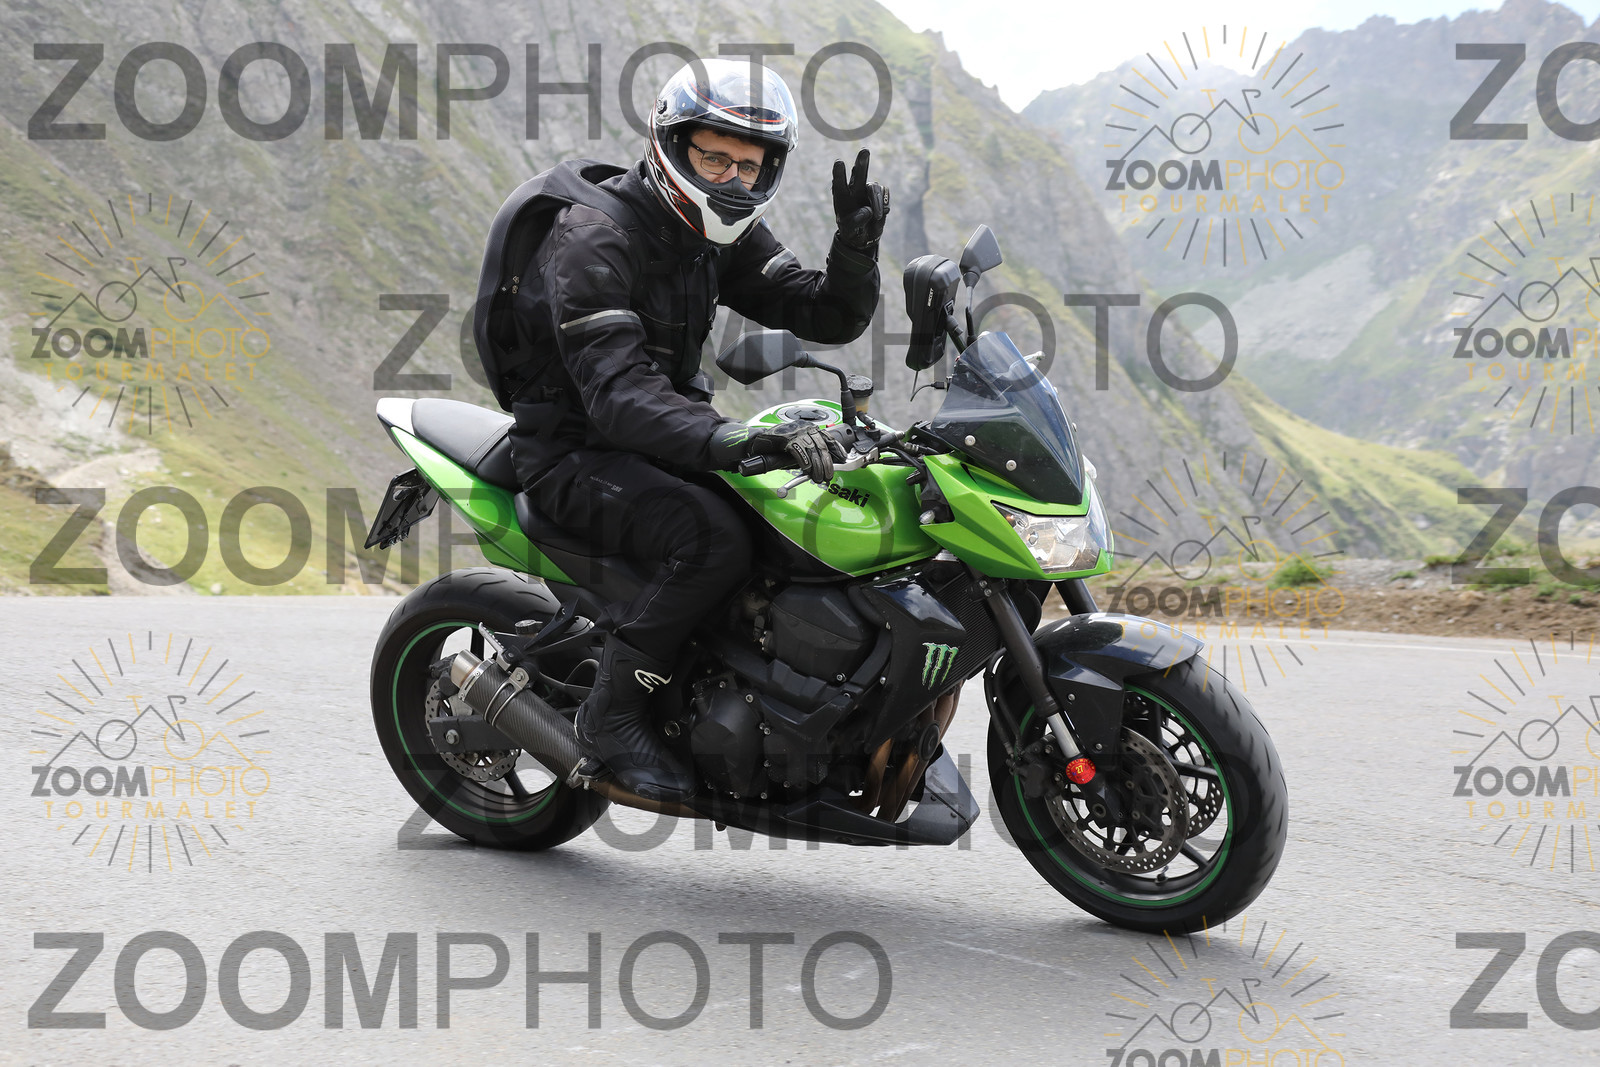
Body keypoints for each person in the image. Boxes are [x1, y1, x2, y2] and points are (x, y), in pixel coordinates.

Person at [504, 58, 890, 802]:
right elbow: (618, 395)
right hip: (574, 452)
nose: (733, 179)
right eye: (715, 158)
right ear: (673, 145)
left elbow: (821, 312)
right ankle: (611, 716)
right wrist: (735, 439)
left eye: (750, 165)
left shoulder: (719, 232)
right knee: (712, 540)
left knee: (796, 519)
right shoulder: (594, 239)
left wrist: (854, 250)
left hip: (666, 438)